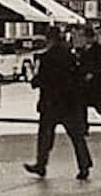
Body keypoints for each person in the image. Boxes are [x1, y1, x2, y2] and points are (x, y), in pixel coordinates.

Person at [24, 25, 93, 180]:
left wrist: (33, 79)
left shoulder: (47, 57)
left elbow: (41, 80)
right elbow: (78, 78)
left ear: (50, 39)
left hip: (51, 104)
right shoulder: (70, 56)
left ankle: (41, 165)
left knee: (45, 135)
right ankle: (84, 165)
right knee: (76, 136)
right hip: (69, 103)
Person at [73, 23, 101, 133]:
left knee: (98, 107)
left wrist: (92, 73)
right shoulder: (82, 50)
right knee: (82, 106)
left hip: (96, 83)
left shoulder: (98, 50)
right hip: (84, 82)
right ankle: (84, 127)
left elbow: (100, 66)